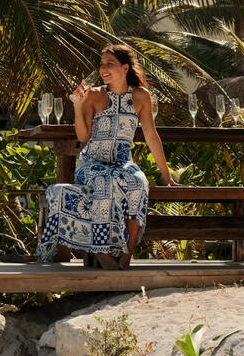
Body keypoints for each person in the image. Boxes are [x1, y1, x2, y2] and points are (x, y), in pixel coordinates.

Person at [36, 46, 177, 269]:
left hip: (123, 163)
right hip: (92, 163)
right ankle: (101, 251)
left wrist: (165, 175)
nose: (103, 69)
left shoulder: (141, 96)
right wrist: (77, 105)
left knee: (138, 183)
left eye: (109, 64)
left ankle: (127, 251)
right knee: (104, 182)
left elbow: (151, 135)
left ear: (125, 68)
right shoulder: (94, 95)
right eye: (101, 64)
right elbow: (83, 137)